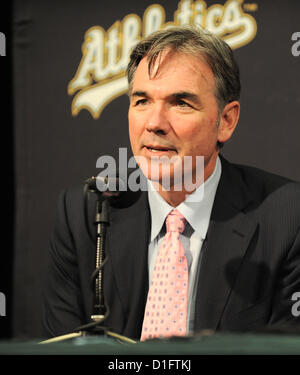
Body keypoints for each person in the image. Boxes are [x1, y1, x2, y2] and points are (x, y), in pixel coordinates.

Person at [43, 25, 300, 340]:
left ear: (226, 121)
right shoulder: (86, 211)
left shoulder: (288, 218)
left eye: (181, 103)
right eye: (142, 101)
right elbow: (62, 346)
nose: (154, 123)